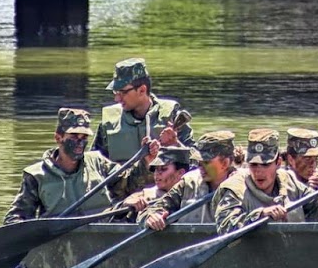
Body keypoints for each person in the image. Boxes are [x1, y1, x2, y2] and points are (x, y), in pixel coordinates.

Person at [91, 58, 192, 200]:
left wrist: (177, 145)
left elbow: (199, 164)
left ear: (142, 90)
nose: (117, 99)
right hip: (122, 202)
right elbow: (93, 168)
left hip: (167, 199)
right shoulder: (109, 122)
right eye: (115, 92)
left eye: (123, 92)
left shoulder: (171, 117)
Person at [4, 108, 114, 223]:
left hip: (103, 236)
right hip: (60, 238)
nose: (80, 142)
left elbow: (129, 180)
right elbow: (14, 217)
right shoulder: (36, 176)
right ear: (58, 138)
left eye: (84, 137)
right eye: (74, 136)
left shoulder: (98, 163)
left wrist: (134, 196)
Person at [215, 129, 316, 231]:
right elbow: (225, 227)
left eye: (265, 165)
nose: (258, 172)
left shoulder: (290, 181)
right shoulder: (234, 189)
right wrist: (260, 215)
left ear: (278, 163)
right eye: (253, 164)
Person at [140, 131, 237, 230]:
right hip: (188, 243)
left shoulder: (244, 186)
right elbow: (153, 209)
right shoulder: (188, 183)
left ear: (225, 163)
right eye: (199, 162)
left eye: (206, 162)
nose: (200, 167)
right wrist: (151, 217)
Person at [113, 145, 194, 219]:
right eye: (155, 169)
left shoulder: (196, 194)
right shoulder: (142, 197)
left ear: (180, 173)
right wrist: (124, 205)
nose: (157, 174)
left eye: (163, 169)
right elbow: (110, 222)